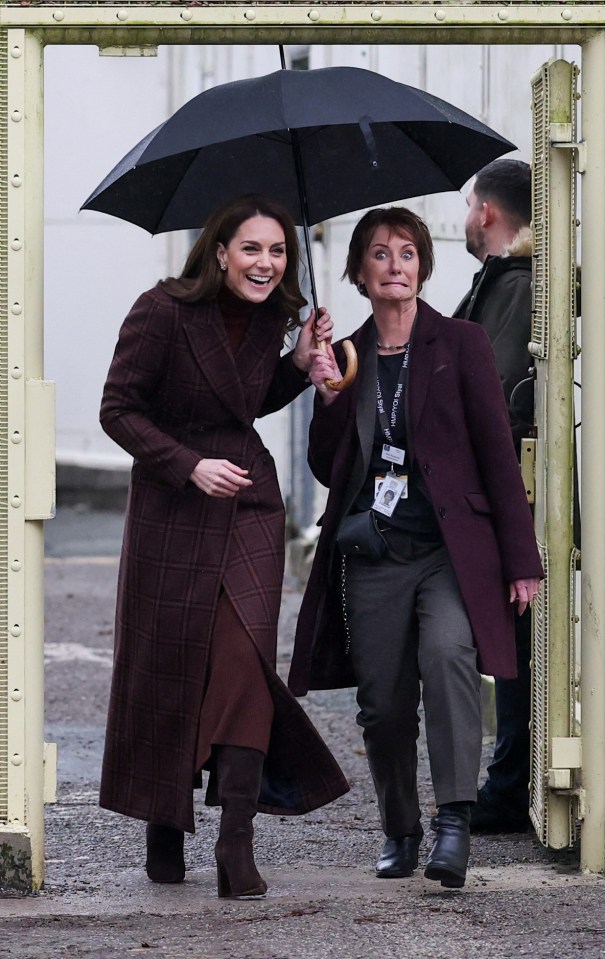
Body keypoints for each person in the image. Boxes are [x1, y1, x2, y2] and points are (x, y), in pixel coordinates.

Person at [99, 193, 349, 900]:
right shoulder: (161, 309)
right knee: (172, 659)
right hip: (172, 504)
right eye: (251, 249)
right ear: (218, 251)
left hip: (248, 501)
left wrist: (298, 364)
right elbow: (116, 408)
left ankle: (236, 839)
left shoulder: (274, 317)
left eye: (276, 251)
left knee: (243, 660)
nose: (265, 263)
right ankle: (163, 821)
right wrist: (186, 464)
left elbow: (244, 399)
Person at [289, 206, 543, 889]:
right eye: (379, 253)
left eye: (406, 252)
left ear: (421, 267)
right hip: (374, 551)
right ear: (359, 272)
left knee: (449, 656)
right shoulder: (346, 352)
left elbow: (495, 452)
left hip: (449, 554)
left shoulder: (459, 344)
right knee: (384, 699)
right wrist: (330, 395)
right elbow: (325, 468)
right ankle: (399, 827)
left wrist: (521, 561)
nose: (394, 264)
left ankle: (453, 823)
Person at [455, 159, 534, 833]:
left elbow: (495, 397)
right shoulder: (505, 283)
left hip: (510, 498)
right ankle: (512, 780)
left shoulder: (512, 285)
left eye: (466, 206)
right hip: (506, 495)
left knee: (517, 643)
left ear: (484, 212)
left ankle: (509, 785)